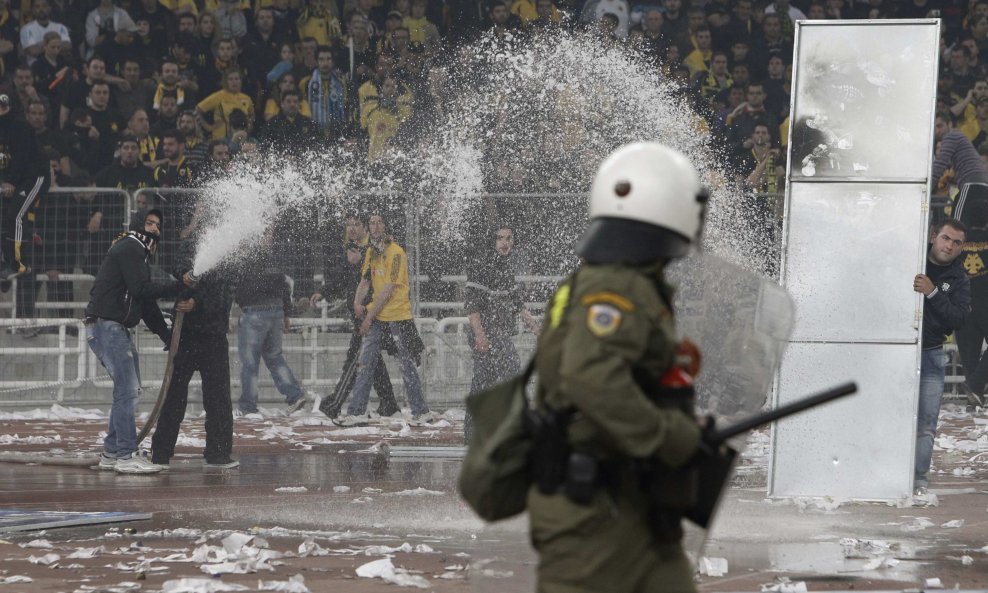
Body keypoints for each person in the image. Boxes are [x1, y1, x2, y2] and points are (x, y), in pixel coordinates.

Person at [526, 142, 707, 592]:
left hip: (632, 499)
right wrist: (668, 434)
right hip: (594, 513)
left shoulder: (627, 280)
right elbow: (590, 376)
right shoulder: (617, 285)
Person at [87, 209, 195, 474]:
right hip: (107, 326)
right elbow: (140, 290)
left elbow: (145, 303)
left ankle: (112, 452)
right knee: (127, 390)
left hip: (113, 328)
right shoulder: (130, 248)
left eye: (158, 225)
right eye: (149, 223)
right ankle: (125, 455)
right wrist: (176, 286)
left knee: (128, 390)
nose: (154, 229)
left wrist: (165, 334)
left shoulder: (139, 254)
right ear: (137, 225)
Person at [334, 212, 433, 427]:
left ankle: (421, 411)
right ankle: (357, 411)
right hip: (378, 316)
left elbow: (388, 289)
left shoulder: (396, 253)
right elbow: (365, 281)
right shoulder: (371, 252)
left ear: (386, 227)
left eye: (379, 222)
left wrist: (367, 316)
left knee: (406, 366)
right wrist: (356, 303)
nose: (376, 226)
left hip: (397, 317)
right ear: (368, 229)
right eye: (372, 223)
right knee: (365, 363)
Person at [151, 227, 239, 469]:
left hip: (213, 337)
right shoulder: (191, 244)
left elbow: (225, 293)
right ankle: (160, 452)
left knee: (218, 398)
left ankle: (218, 453)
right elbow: (177, 265)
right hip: (186, 336)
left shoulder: (228, 256)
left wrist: (197, 302)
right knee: (174, 396)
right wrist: (184, 274)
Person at [309, 213, 400, 419]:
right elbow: (341, 277)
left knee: (355, 359)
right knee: (371, 360)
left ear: (366, 229)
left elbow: (377, 277)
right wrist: (324, 292)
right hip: (360, 314)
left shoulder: (373, 249)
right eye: (348, 224)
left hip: (371, 313)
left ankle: (334, 402)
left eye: (357, 224)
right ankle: (389, 403)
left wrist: (359, 262)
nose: (352, 228)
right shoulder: (350, 251)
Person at [462, 225, 539, 440]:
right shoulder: (483, 266)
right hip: (487, 332)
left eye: (508, 238)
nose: (504, 242)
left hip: (496, 332)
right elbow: (472, 307)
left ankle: (480, 430)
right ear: (493, 242)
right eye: (500, 238)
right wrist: (480, 335)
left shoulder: (505, 267)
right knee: (507, 373)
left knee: (486, 380)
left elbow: (517, 304)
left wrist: (536, 329)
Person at [914, 219, 971, 497]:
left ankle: (918, 480)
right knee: (888, 414)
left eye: (957, 242)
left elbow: (959, 319)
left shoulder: (959, 278)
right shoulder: (911, 254)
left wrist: (933, 293)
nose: (949, 246)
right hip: (898, 351)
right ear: (934, 236)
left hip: (931, 355)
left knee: (926, 424)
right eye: (946, 238)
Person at [234, 227, 313, 416]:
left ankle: (248, 406)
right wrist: (286, 313)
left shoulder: (244, 257)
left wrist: (239, 307)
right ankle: (294, 395)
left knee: (250, 362)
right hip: (276, 311)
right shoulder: (273, 259)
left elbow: (237, 288)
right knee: (274, 357)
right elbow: (284, 286)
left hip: (254, 312)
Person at [0, 93, 50, 280]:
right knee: (10, 216)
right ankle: (8, 262)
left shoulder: (19, 126)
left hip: (34, 177)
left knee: (16, 215)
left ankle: (18, 264)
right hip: (17, 178)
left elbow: (21, 156)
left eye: (3, 106)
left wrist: (11, 181)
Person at [957, 201, 988, 408]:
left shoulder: (956, 245)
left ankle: (974, 398)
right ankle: (975, 387)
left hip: (963, 305)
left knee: (969, 354)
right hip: (985, 302)